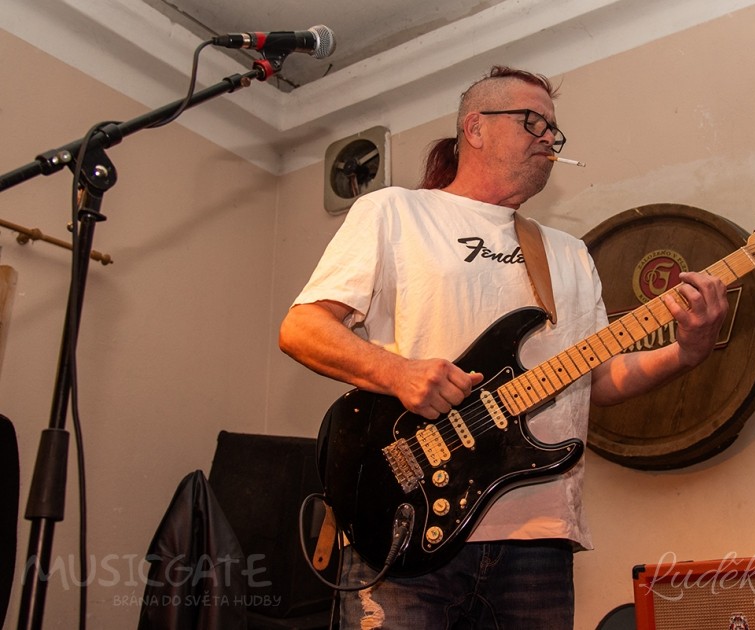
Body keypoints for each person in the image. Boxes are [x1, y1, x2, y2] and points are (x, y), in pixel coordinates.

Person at [279, 66, 728, 629]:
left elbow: (600, 381)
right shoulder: (394, 211)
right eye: (532, 121)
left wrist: (687, 351)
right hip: (405, 516)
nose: (549, 138)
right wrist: (397, 373)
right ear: (476, 128)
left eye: (554, 130)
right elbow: (302, 328)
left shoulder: (567, 253)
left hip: (538, 539)